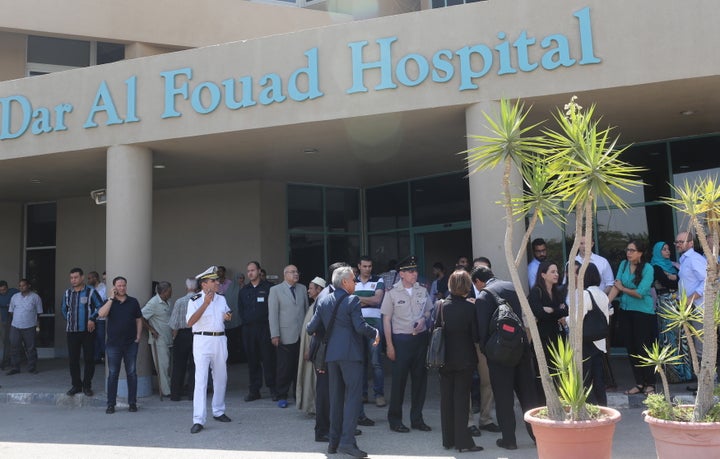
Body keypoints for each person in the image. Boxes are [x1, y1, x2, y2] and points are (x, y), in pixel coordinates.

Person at [307, 266, 380, 458]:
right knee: (353, 399)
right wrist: (375, 332)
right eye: (354, 280)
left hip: (332, 356)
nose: (355, 283)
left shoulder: (322, 300)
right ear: (345, 282)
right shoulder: (352, 300)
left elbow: (310, 328)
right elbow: (360, 326)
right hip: (350, 355)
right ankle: (347, 442)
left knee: (336, 399)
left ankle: (333, 442)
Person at [474, 266, 537, 451]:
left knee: (504, 398)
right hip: (521, 350)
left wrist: (487, 352)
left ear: (478, 281)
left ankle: (509, 440)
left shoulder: (483, 297)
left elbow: (482, 331)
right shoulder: (512, 287)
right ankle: (537, 435)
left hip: (499, 356)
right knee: (528, 396)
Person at [381, 255, 433, 433]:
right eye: (410, 271)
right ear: (401, 274)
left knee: (420, 381)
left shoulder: (422, 290)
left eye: (416, 270)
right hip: (401, 341)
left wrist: (423, 320)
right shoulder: (392, 292)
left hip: (420, 339)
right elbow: (386, 320)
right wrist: (389, 345)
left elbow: (428, 311)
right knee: (399, 382)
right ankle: (395, 420)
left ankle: (417, 419)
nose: (414, 274)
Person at [437, 270, 483, 453]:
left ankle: (448, 439)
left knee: (446, 400)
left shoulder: (440, 306)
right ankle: (463, 442)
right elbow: (476, 336)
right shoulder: (470, 308)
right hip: (465, 359)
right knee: (462, 400)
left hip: (444, 358)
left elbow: (435, 330)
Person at [607, 239, 657, 395]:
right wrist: (605, 303)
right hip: (625, 310)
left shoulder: (648, 268)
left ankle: (651, 383)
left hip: (643, 312)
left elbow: (640, 293)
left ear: (640, 253)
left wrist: (623, 288)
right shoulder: (623, 265)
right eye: (627, 250)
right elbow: (617, 285)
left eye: (632, 250)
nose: (628, 253)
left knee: (643, 348)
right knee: (631, 348)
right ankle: (639, 383)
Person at [186, 266, 233, 434]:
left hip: (220, 339)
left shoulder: (221, 299)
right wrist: (205, 305)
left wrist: (228, 316)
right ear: (204, 284)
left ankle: (218, 410)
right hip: (202, 340)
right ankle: (198, 419)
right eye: (213, 281)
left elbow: (227, 313)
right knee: (201, 380)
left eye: (217, 280)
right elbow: (190, 322)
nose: (217, 283)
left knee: (221, 377)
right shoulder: (194, 300)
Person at [98, 276, 143, 414]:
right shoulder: (109, 302)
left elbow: (139, 320)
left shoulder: (133, 302)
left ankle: (132, 403)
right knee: (113, 374)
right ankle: (111, 404)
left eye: (124, 285)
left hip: (130, 344)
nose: (122, 288)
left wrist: (138, 337)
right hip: (113, 345)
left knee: (132, 373)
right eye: (119, 286)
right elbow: (101, 314)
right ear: (114, 287)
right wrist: (111, 299)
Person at [269, 264, 308, 408]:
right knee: (284, 367)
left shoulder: (302, 288)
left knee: (299, 367)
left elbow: (305, 310)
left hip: (300, 334)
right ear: (285, 274)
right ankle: (282, 395)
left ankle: (298, 394)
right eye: (292, 272)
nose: (295, 274)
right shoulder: (275, 290)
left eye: (297, 271)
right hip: (284, 334)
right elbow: (273, 314)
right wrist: (275, 334)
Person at [61, 267, 104, 397]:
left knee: (89, 359)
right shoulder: (68, 293)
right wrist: (69, 319)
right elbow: (64, 309)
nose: (73, 280)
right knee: (73, 360)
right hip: (72, 331)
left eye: (76, 277)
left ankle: (87, 386)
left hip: (88, 332)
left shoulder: (91, 292)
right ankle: (76, 385)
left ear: (82, 278)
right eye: (71, 278)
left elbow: (101, 307)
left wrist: (92, 318)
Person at [238, 261, 277, 402]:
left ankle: (273, 389)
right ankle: (254, 390)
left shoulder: (269, 288)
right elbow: (241, 310)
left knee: (268, 359)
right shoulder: (244, 291)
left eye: (253, 270)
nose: (250, 273)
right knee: (252, 360)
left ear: (259, 271)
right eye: (248, 270)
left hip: (265, 328)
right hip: (249, 330)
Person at [573, 263, 610, 406]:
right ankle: (603, 409)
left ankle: (587, 411)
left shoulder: (585, 294)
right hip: (599, 342)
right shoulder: (602, 294)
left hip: (586, 342)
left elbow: (577, 318)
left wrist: (566, 320)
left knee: (585, 380)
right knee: (598, 380)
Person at [354, 256, 386, 407]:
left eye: (370, 266)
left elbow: (377, 301)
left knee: (376, 362)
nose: (368, 269)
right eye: (365, 266)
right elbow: (350, 301)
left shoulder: (378, 280)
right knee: (360, 362)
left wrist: (358, 299)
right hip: (358, 325)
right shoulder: (352, 281)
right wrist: (368, 299)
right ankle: (363, 394)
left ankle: (379, 394)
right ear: (359, 266)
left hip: (375, 327)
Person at [527, 261, 568, 375]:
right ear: (543, 275)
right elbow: (540, 313)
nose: (556, 274)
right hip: (542, 338)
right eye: (552, 272)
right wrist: (558, 311)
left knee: (559, 371)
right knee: (543, 372)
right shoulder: (536, 291)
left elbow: (566, 310)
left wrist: (552, 310)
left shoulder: (557, 292)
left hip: (558, 337)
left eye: (557, 272)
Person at [675, 231, 707, 366]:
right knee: (695, 345)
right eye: (676, 242)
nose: (677, 245)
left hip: (699, 308)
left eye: (681, 242)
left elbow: (707, 281)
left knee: (702, 347)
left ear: (691, 243)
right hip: (689, 308)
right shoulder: (684, 259)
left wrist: (690, 298)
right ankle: (702, 382)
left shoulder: (695, 259)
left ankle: (710, 382)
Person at [297, 276, 326, 415]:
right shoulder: (313, 304)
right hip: (310, 349)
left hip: (314, 350)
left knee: (315, 380)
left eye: (311, 288)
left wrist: (310, 349)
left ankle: (316, 407)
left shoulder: (320, 305)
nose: (308, 291)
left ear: (319, 289)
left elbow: (317, 332)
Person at [142, 281, 173, 397]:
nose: (171, 293)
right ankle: (166, 391)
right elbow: (140, 316)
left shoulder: (168, 301)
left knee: (168, 366)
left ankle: (169, 387)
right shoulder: (153, 303)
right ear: (164, 292)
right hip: (159, 340)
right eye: (170, 291)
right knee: (163, 366)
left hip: (168, 337)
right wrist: (151, 329)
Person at [169, 278, 198, 401]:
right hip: (196, 335)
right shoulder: (200, 301)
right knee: (195, 366)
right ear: (197, 288)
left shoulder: (179, 302)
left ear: (186, 288)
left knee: (178, 366)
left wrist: (174, 337)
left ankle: (175, 394)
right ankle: (192, 394)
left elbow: (174, 324)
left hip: (181, 335)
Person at [6, 279, 43, 375]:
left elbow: (39, 313)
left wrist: (37, 326)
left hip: (30, 326)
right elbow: (11, 311)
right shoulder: (15, 297)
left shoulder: (35, 297)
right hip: (15, 326)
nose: (21, 287)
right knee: (14, 347)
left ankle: (32, 368)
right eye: (20, 285)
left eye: (23, 285)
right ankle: (15, 368)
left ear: (28, 286)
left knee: (31, 348)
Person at [87, 271, 107, 364]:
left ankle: (106, 357)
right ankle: (96, 358)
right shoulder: (90, 289)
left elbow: (103, 302)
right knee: (94, 339)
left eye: (90, 278)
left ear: (95, 278)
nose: (88, 280)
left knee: (101, 338)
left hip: (101, 318)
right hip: (92, 318)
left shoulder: (103, 288)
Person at [0, 280, 20, 371]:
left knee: (15, 340)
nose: (2, 292)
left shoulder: (14, 292)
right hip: (4, 321)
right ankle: (6, 360)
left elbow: (23, 298)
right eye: (0, 290)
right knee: (5, 341)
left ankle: (16, 360)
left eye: (4, 289)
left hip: (15, 321)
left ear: (7, 288)